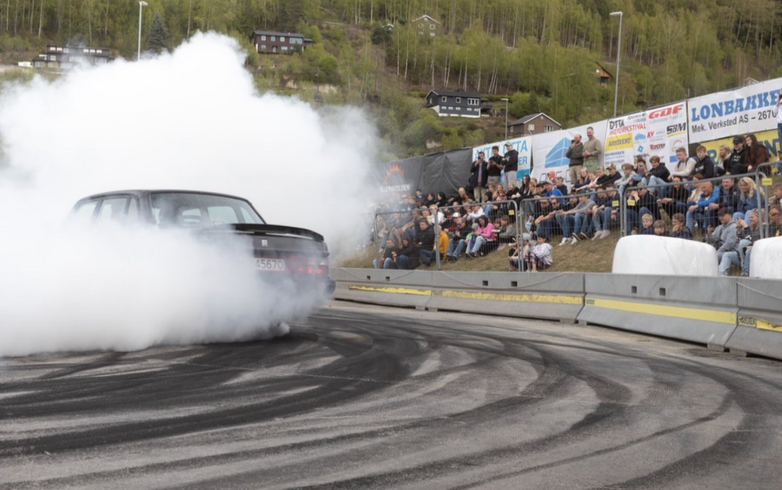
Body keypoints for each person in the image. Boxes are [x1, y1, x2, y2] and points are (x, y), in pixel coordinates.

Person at [721, 210, 760, 277]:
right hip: (741, 255)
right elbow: (741, 239)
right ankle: (721, 275)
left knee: (743, 242)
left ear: (759, 218)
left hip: (752, 256)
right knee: (726, 255)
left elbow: (751, 239)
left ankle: (745, 271)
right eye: (749, 217)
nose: (750, 219)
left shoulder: (762, 228)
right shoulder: (751, 228)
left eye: (752, 217)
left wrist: (745, 226)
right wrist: (739, 229)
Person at [706, 208, 739, 276]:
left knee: (714, 255)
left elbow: (729, 244)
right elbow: (710, 240)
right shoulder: (720, 227)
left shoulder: (733, 226)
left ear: (729, 215)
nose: (720, 218)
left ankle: (714, 275)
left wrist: (717, 251)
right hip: (721, 250)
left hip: (732, 252)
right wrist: (709, 233)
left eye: (723, 215)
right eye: (719, 216)